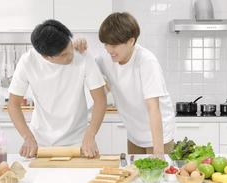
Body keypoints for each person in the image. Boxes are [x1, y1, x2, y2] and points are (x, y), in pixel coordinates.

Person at [74, 12, 175, 158]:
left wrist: (158, 151)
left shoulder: (146, 62)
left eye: (114, 45)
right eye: (106, 44)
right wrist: (80, 48)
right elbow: (89, 75)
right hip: (134, 134)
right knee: (135, 176)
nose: (109, 49)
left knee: (158, 176)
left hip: (159, 136)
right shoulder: (106, 59)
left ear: (131, 41)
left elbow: (154, 108)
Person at [8, 19, 106, 158]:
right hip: (41, 144)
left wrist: (90, 134)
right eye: (63, 55)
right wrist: (28, 137)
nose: (71, 55)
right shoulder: (28, 62)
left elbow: (100, 100)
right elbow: (13, 104)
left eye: (70, 47)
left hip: (79, 143)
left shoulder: (82, 56)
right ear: (46, 57)